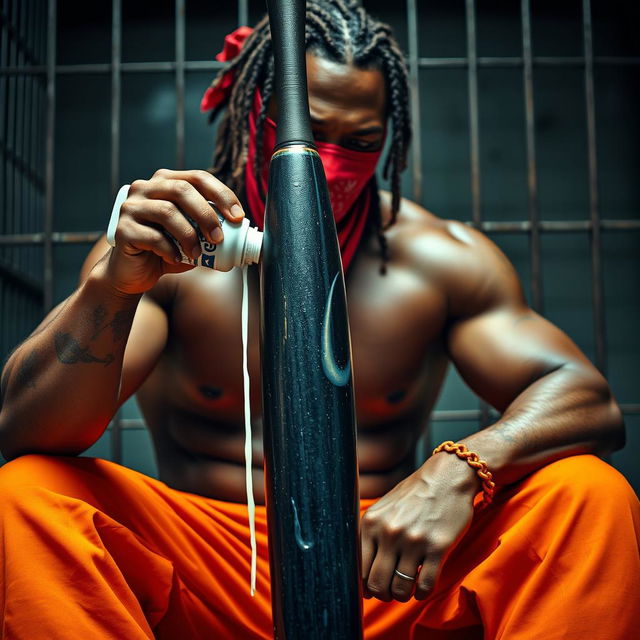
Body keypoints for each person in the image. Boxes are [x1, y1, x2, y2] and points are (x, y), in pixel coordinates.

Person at [0, 2, 638, 638]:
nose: (330, 168)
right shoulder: (164, 250)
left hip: (385, 573)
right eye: (310, 134)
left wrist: (461, 468)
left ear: (391, 137)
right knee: (24, 494)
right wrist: (113, 284)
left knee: (588, 493)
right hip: (217, 573)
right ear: (248, 113)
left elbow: (588, 400)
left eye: (359, 143)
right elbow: (26, 428)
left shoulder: (441, 261)